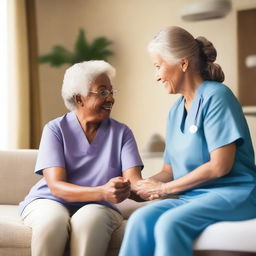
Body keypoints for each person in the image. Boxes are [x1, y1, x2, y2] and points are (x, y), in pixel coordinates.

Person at [119, 26, 256, 256]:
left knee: (169, 224)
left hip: (236, 193)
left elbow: (219, 166)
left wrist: (163, 189)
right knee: (140, 219)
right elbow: (168, 171)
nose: (157, 76)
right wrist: (141, 188)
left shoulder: (217, 96)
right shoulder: (175, 111)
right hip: (193, 196)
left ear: (183, 64)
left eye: (158, 66)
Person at [19, 60, 143, 256]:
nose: (110, 98)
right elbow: (56, 186)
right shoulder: (55, 129)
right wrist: (103, 191)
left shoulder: (122, 133)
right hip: (50, 199)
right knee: (51, 222)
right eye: (102, 92)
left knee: (90, 222)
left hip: (99, 206)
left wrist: (159, 188)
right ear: (79, 99)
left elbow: (135, 183)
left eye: (111, 91)